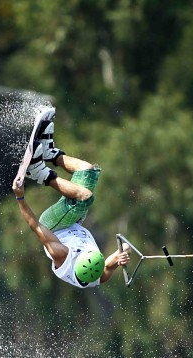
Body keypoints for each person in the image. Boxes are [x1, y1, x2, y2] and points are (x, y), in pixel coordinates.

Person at [12, 107, 129, 288]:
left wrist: (20, 198)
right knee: (88, 171)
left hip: (53, 226)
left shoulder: (61, 255)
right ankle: (51, 154)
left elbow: (34, 225)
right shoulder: (98, 274)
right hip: (74, 223)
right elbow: (110, 264)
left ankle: (38, 172)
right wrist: (120, 256)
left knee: (85, 197)